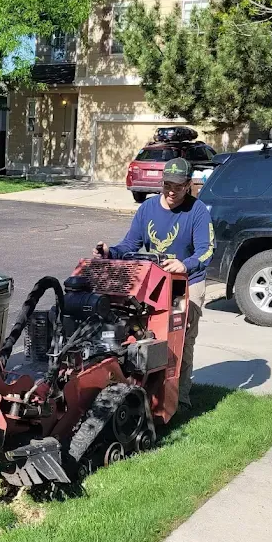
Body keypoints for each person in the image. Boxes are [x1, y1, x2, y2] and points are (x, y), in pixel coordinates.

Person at [94, 157, 214, 409]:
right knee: (144, 333)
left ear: (189, 184)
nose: (172, 191)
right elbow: (130, 245)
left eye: (179, 186)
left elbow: (206, 251)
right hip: (153, 283)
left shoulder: (198, 211)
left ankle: (180, 396)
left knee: (181, 338)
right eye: (167, 184)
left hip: (186, 282)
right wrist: (109, 252)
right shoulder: (147, 209)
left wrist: (186, 264)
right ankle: (145, 390)